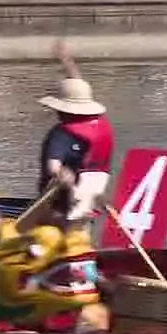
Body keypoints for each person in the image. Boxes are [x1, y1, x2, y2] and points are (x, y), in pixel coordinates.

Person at [36, 42, 114, 220]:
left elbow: (54, 168)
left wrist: (65, 177)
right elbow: (77, 87)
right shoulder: (100, 124)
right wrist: (67, 62)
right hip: (90, 203)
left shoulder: (62, 134)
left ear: (60, 109)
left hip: (59, 208)